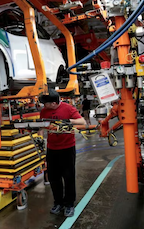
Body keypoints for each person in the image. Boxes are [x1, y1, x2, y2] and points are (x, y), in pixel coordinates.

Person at [39, 89, 86, 217]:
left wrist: (69, 121)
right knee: (54, 178)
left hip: (67, 148)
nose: (44, 106)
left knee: (68, 177)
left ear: (54, 103)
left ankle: (69, 204)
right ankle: (58, 202)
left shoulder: (68, 109)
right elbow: (42, 127)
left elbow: (83, 122)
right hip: (52, 149)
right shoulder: (44, 111)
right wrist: (40, 138)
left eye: (46, 103)